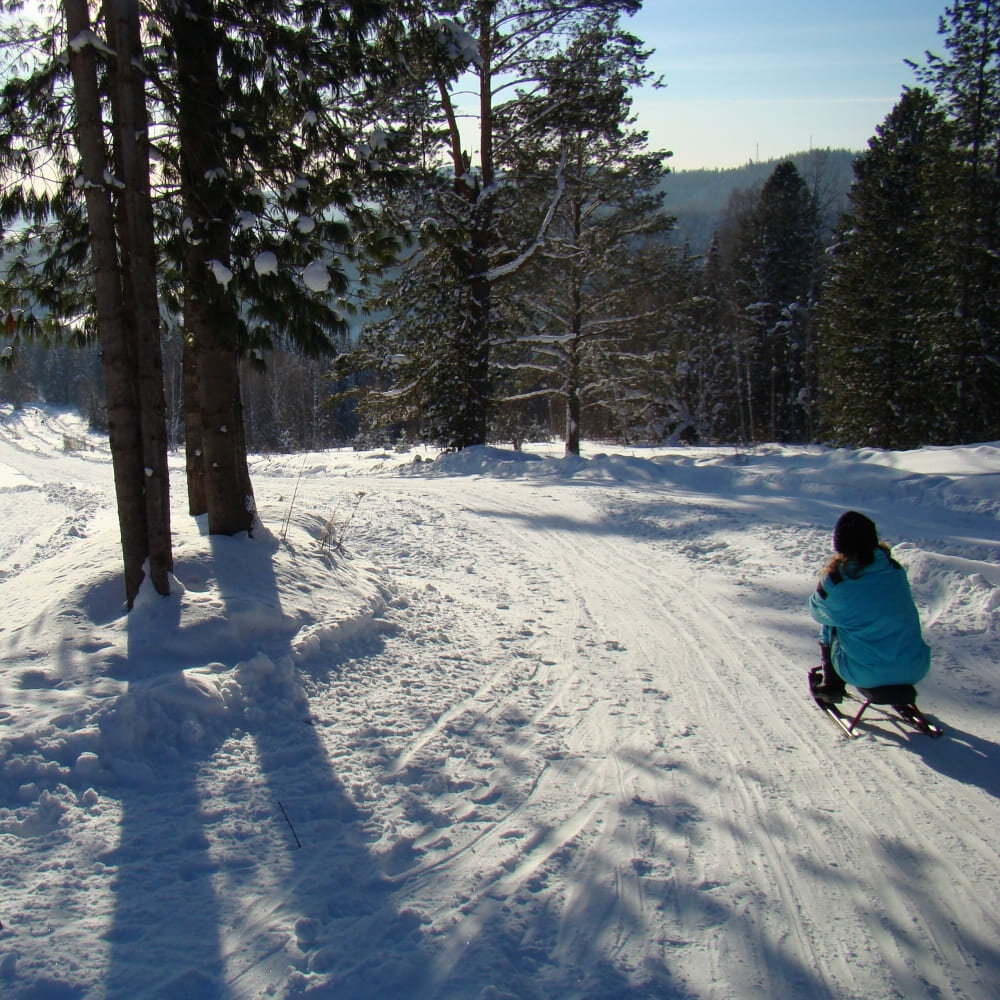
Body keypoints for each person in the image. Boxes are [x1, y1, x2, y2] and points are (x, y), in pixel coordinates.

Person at [808, 510, 930, 702]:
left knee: (831, 621)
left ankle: (833, 686)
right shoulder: (894, 568)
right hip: (916, 667)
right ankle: (895, 671)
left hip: (863, 674)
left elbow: (816, 611)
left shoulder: (837, 579)